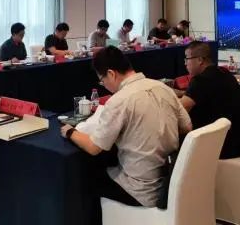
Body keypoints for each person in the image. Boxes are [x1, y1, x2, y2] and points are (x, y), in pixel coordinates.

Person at [60, 46, 191, 207]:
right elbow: (187, 127)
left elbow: (94, 148)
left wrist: (70, 131)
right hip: (171, 181)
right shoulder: (164, 88)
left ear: (111, 74)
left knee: (86, 178)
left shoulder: (119, 101)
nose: (104, 85)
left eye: (102, 81)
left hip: (140, 191)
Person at [180, 42, 240, 159]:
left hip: (221, 146)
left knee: (173, 139)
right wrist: (181, 93)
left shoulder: (200, 80)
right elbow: (206, 94)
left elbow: (180, 110)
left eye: (187, 58)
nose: (185, 63)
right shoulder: (225, 73)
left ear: (200, 60)